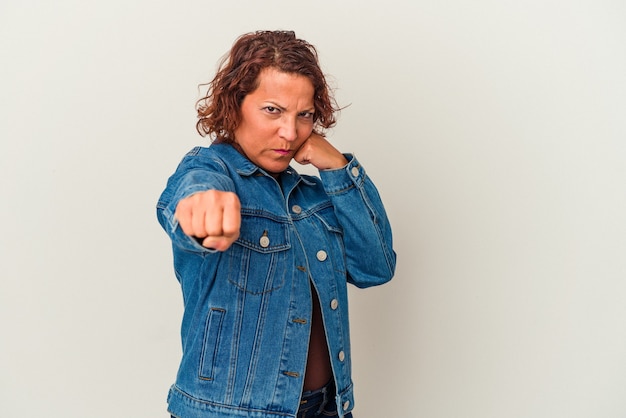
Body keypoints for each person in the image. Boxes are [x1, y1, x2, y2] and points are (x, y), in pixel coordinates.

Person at [157, 30, 396, 418]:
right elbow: (193, 195)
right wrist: (202, 209)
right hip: (231, 412)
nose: (290, 132)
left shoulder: (314, 196)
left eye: (303, 115)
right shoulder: (211, 170)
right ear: (235, 105)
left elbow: (376, 268)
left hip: (328, 408)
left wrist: (338, 168)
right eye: (273, 110)